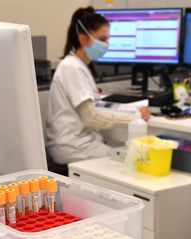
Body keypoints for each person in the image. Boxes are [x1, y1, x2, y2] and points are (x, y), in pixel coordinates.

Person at [45, 6, 150, 166]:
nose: (106, 44)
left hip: (82, 143)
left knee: (125, 153)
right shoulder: (72, 68)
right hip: (73, 148)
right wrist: (135, 118)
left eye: (107, 39)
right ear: (83, 39)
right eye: (102, 39)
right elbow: (91, 118)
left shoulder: (78, 65)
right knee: (131, 160)